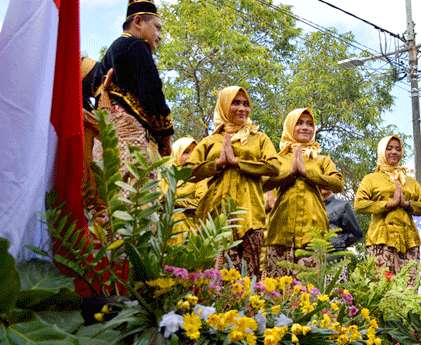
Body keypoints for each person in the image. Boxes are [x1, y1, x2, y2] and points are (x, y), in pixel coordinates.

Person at [188, 86, 280, 278]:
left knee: (248, 279)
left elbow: (274, 166)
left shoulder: (259, 138)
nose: (242, 108)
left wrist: (238, 162)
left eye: (246, 104)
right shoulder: (210, 140)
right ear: (223, 106)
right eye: (235, 103)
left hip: (250, 216)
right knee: (213, 276)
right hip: (215, 215)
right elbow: (186, 171)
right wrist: (218, 163)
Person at [90, 0, 173, 167]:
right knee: (135, 188)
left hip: (106, 134)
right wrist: (166, 136)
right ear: (138, 21)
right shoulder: (137, 45)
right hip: (130, 133)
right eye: (157, 27)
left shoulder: (113, 50)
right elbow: (153, 93)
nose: (160, 35)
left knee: (110, 186)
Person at [263, 108, 343, 276]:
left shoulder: (322, 160)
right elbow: (262, 183)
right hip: (280, 230)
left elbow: (337, 184)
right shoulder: (278, 158)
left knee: (308, 291)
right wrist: (290, 173)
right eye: (299, 123)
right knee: (275, 290)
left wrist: (307, 174)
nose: (305, 127)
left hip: (312, 231)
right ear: (289, 126)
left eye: (309, 123)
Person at [355, 135, 421, 281]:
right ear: (381, 151)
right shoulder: (371, 178)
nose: (394, 152)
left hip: (409, 241)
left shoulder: (409, 181)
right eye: (389, 148)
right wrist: (388, 204)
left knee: (409, 289)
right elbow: (359, 204)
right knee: (382, 287)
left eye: (398, 149)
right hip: (381, 240)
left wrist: (407, 204)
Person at [320, 187, 362, 251]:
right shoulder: (311, 208)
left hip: (335, 253)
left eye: (325, 182)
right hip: (314, 254)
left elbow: (356, 233)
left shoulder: (343, 205)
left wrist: (338, 242)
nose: (322, 185)